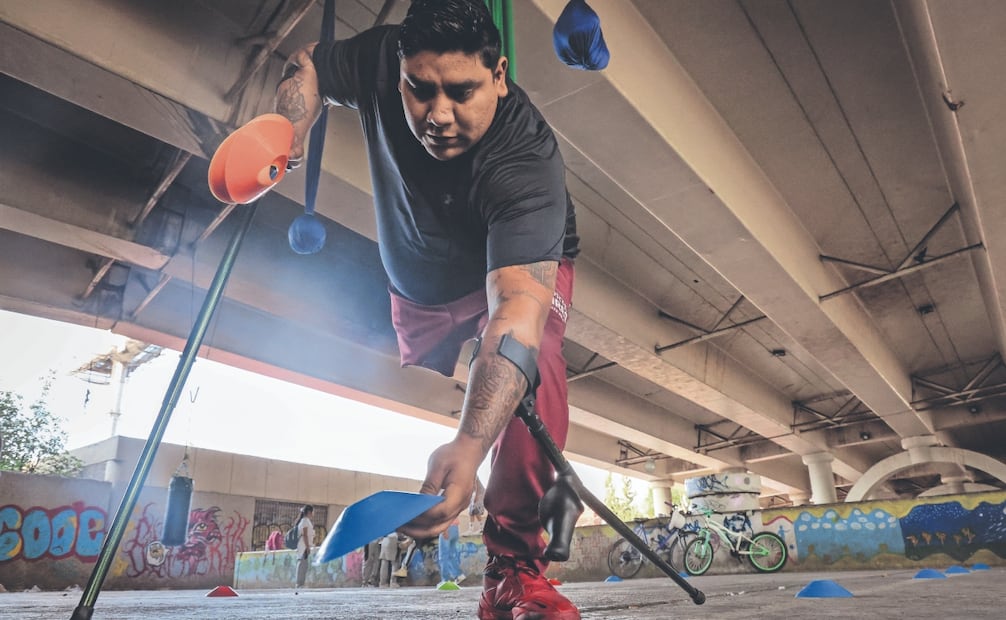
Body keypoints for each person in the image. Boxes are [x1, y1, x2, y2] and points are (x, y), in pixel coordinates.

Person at [275, 1, 580, 618]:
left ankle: (511, 568)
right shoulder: (377, 60)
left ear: (498, 75)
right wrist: (288, 129)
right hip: (418, 282)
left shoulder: (526, 159)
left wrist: (469, 445)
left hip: (512, 269)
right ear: (400, 71)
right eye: (421, 90)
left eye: (462, 91)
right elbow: (305, 62)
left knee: (534, 358)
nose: (438, 115)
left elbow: (517, 306)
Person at [294, 504, 315, 592]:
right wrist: (307, 547)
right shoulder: (305, 521)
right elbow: (305, 535)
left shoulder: (306, 521)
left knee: (304, 565)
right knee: (302, 564)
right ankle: (299, 584)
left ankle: (301, 583)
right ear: (309, 512)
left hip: (305, 546)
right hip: (303, 546)